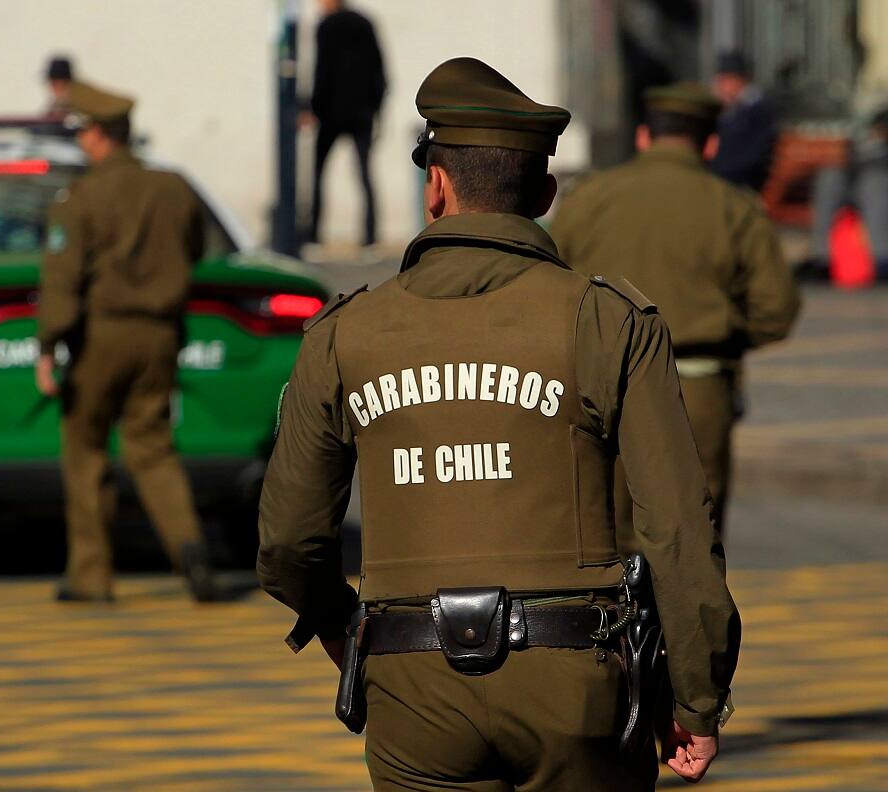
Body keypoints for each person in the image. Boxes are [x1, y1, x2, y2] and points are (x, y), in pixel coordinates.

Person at [259, 58, 740, 790]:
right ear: (543, 193)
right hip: (577, 682)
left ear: (436, 187)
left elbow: (290, 537)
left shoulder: (344, 332)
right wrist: (697, 696)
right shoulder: (606, 321)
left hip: (412, 684)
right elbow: (676, 526)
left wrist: (340, 626)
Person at [551, 82, 800, 540]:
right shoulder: (734, 207)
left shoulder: (587, 198)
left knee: (606, 540)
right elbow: (776, 310)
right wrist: (724, 331)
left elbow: (548, 285)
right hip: (698, 387)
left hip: (603, 388)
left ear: (643, 136)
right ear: (711, 143)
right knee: (691, 542)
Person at [36, 81, 217, 604]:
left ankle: (91, 576)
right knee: (154, 448)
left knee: (87, 449)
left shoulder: (82, 197)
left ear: (96, 136)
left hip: (101, 335)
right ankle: (191, 551)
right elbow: (196, 247)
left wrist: (48, 346)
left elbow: (62, 280)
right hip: (160, 335)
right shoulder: (173, 187)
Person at [304, 0, 386, 247]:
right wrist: (376, 108)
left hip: (331, 112)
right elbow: (379, 70)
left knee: (318, 173)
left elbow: (322, 71)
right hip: (361, 113)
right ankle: (370, 237)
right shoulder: (365, 23)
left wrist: (314, 108)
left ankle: (314, 236)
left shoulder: (326, 26)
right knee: (364, 174)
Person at [809, 106, 888, 280]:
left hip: (878, 187)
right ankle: (823, 258)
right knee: (830, 177)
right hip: (857, 184)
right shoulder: (869, 138)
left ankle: (881, 259)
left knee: (875, 181)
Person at [710, 51, 777, 191]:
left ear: (740, 80)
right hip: (726, 177)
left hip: (742, 182)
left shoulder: (757, 110)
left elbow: (752, 158)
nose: (720, 87)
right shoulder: (728, 110)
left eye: (725, 81)